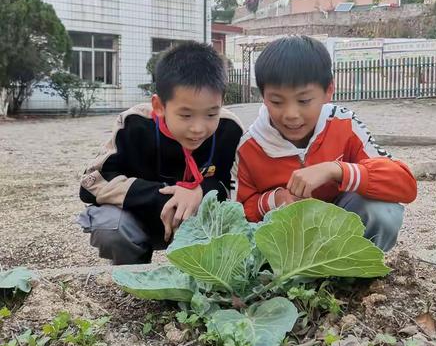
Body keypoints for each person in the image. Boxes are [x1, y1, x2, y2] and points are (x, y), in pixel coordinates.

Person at [232, 35, 417, 252]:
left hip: (342, 244)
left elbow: (405, 184)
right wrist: (276, 200)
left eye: (304, 101)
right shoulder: (248, 147)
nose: (291, 114)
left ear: (328, 90)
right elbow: (235, 213)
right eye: (276, 102)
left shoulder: (345, 124)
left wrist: (336, 170)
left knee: (381, 211)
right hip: (286, 250)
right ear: (262, 97)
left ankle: (358, 279)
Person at [78, 42, 243, 264]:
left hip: (196, 224)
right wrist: (166, 195)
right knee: (110, 226)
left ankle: (199, 277)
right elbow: (92, 184)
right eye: (185, 115)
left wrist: (200, 191)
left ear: (222, 103)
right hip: (141, 220)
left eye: (211, 114)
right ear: (159, 105)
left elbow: (230, 186)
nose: (198, 128)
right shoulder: (134, 124)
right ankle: (134, 277)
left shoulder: (229, 129)